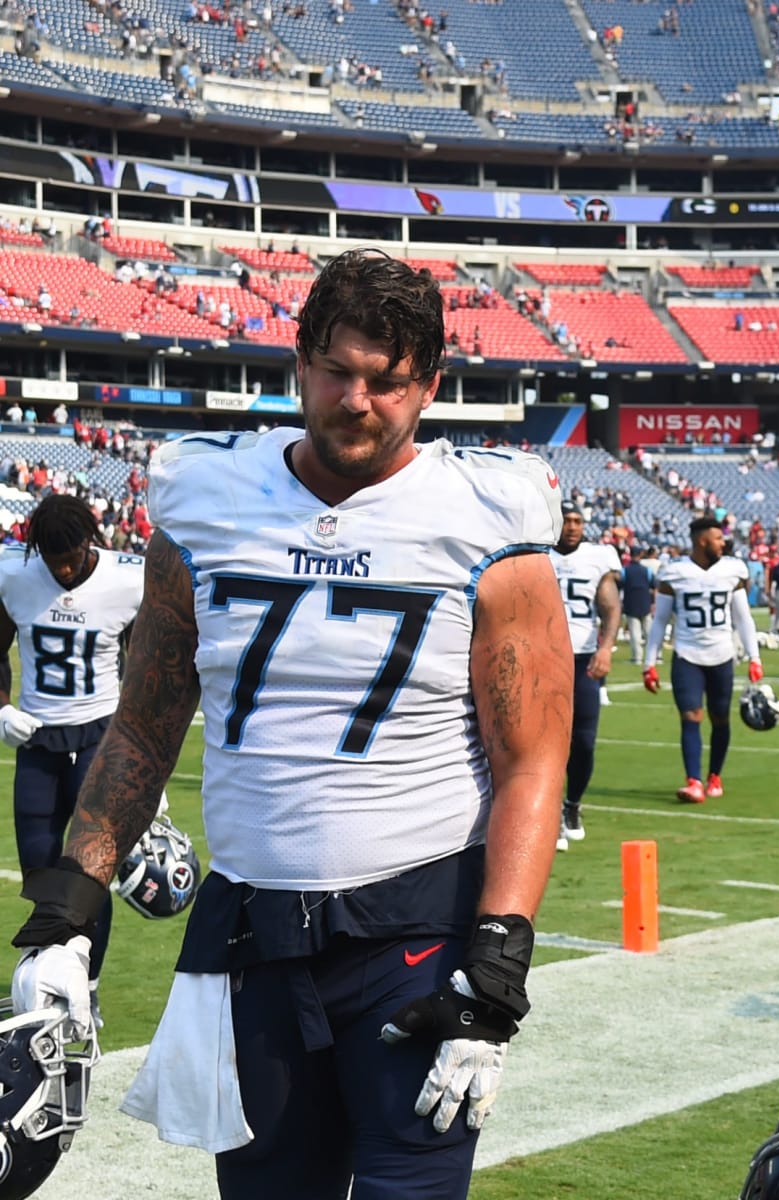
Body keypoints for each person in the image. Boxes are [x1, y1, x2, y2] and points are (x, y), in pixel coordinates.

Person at [8, 249, 574, 1200]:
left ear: (429, 386)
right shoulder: (205, 496)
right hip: (252, 934)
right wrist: (70, 909)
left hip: (415, 928)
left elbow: (532, 758)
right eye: (341, 372)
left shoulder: (487, 513)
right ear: (301, 361)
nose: (360, 401)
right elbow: (146, 726)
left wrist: (499, 956)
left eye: (389, 382)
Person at [0, 494, 145, 1028]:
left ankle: (89, 982)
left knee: (87, 873)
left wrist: (137, 744)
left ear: (91, 540)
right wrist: (3, 709)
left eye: (71, 555)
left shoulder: (128, 579)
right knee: (41, 871)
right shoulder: (14, 574)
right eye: (51, 558)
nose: (62, 568)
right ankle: (49, 978)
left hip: (101, 735)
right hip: (38, 737)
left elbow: (147, 660)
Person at [642, 516, 764, 803]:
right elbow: (659, 621)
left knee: (720, 718)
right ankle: (694, 781)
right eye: (718, 538)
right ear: (702, 540)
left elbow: (743, 618)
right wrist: (650, 663)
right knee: (690, 716)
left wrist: (754, 656)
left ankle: (714, 775)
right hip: (686, 654)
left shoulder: (733, 570)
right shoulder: (674, 573)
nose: (724, 543)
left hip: (722, 654)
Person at [548, 500, 621, 850]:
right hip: (542, 660)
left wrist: (605, 648)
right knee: (542, 743)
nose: (572, 526)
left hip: (582, 659)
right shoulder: (535, 553)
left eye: (577, 520)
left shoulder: (598, 557)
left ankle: (572, 805)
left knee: (584, 741)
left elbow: (611, 607)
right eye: (566, 520)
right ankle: (549, 815)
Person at [620, 545, 654, 665]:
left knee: (635, 633)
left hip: (631, 604)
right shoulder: (647, 570)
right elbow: (654, 586)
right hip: (645, 603)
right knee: (649, 632)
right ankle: (652, 656)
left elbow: (620, 586)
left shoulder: (624, 570)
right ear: (640, 555)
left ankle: (637, 658)